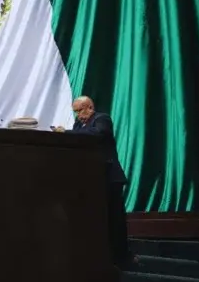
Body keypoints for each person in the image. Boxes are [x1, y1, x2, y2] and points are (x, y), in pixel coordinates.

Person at [54, 96, 135, 271]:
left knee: (115, 220)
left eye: (79, 110)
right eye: (75, 111)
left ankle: (122, 257)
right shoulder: (78, 126)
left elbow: (97, 135)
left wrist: (66, 133)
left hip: (109, 178)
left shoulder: (101, 119)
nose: (77, 115)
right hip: (91, 178)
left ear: (90, 107)